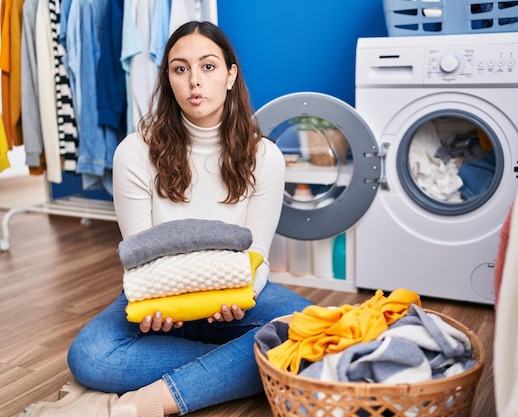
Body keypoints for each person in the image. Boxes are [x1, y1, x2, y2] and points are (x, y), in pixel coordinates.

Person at [21, 21, 312, 417]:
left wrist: (233, 297)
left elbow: (257, 252)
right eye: (180, 68)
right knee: (90, 357)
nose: (195, 81)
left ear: (230, 75)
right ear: (169, 79)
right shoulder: (134, 153)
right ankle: (237, 364)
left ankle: (131, 404)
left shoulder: (266, 157)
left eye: (208, 67)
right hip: (157, 298)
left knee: (313, 329)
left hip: (239, 296)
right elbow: (141, 256)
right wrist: (159, 302)